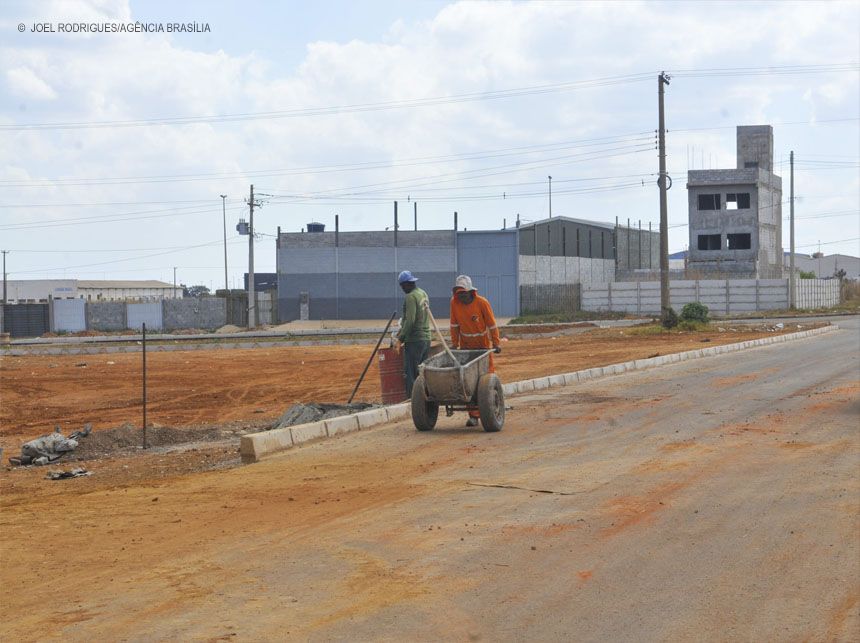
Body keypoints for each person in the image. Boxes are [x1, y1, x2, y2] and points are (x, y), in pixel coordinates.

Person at [449, 275, 501, 426]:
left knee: (486, 379)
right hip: (466, 348)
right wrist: (455, 344)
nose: (461, 296)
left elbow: (491, 324)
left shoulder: (482, 303)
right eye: (459, 294)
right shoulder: (454, 303)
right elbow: (454, 325)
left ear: (471, 292)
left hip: (483, 347)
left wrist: (496, 343)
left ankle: (491, 410)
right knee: (468, 381)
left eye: (463, 293)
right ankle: (473, 416)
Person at [396, 270, 431, 398]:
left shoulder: (410, 297)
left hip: (414, 340)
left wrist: (400, 339)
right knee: (422, 373)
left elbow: (410, 320)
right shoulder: (423, 293)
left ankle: (412, 401)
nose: (402, 289)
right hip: (426, 340)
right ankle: (424, 399)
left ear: (406, 284)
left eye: (402, 286)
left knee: (411, 373)